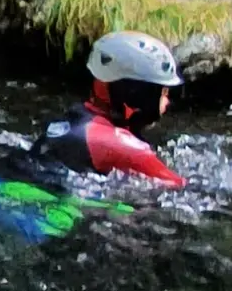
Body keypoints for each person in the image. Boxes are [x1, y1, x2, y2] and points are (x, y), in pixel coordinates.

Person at [32, 30, 186, 188]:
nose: (167, 101)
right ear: (136, 93)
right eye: (163, 93)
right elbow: (179, 185)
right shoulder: (123, 146)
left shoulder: (78, 118)